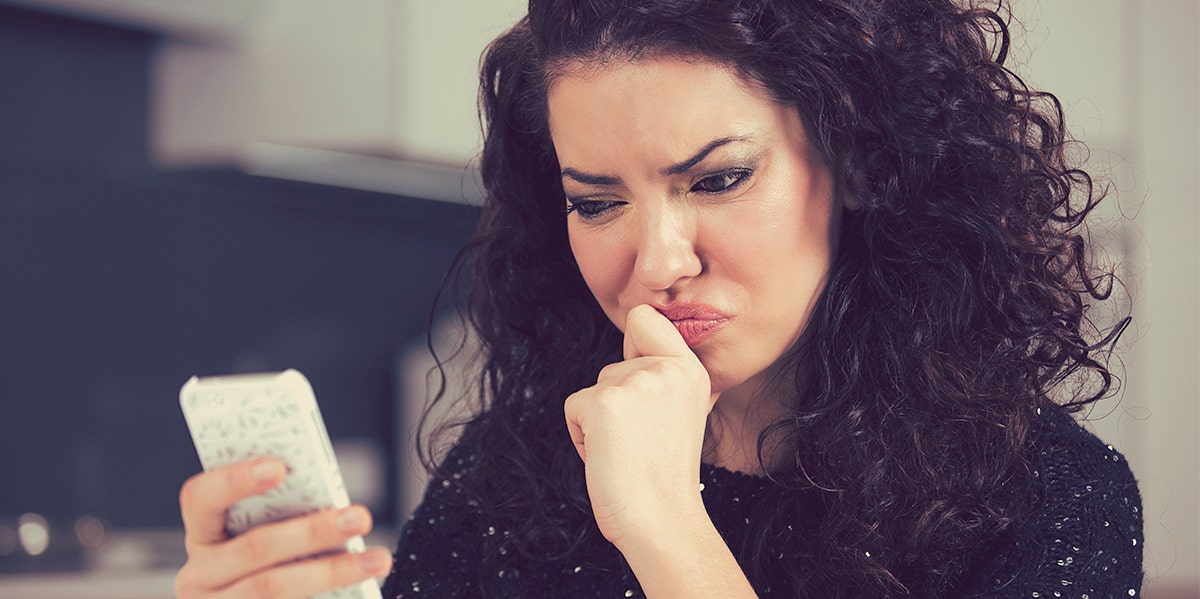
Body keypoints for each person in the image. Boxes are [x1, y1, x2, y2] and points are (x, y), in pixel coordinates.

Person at [173, 0, 1144, 597]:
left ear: (856, 159)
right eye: (597, 201)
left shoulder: (1050, 502)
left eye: (716, 180)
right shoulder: (503, 479)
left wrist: (666, 525)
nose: (656, 260)